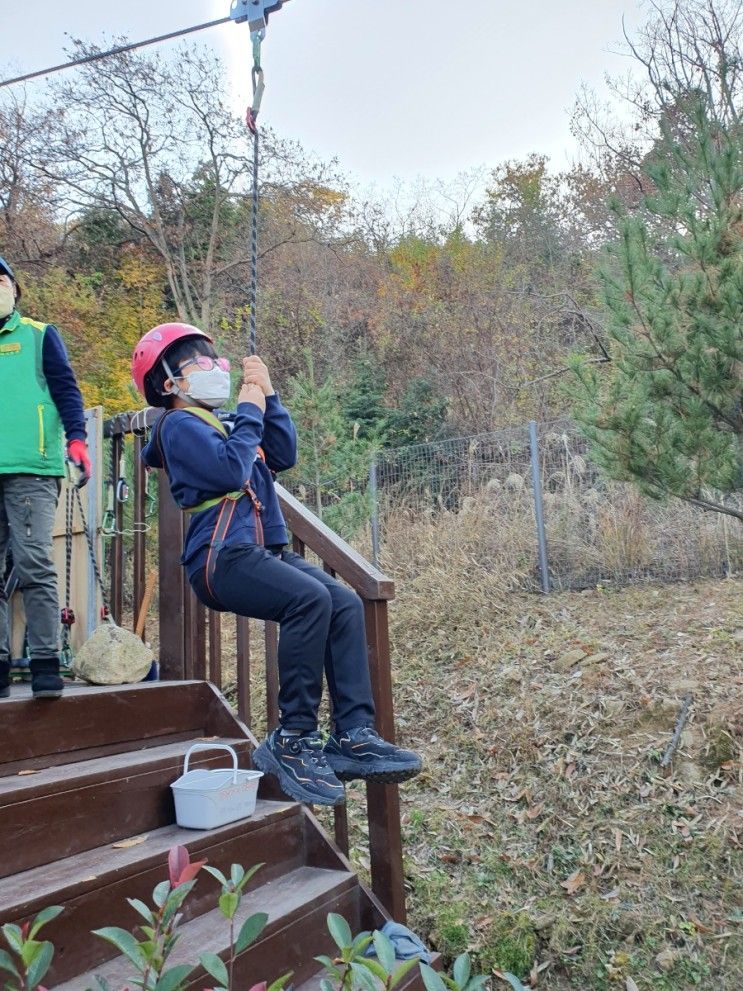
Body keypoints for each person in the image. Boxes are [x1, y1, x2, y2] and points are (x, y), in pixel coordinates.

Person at [133, 323, 421, 806]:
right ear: (169, 384)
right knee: (308, 600)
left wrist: (269, 394)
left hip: (259, 550)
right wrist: (249, 411)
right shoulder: (176, 427)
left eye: (217, 361)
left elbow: (282, 454)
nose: (215, 369)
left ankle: (353, 733)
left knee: (344, 602)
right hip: (220, 555)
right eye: (199, 363)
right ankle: (292, 738)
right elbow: (229, 470)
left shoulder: (226, 423)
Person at [0, 256, 91, 700]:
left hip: (30, 469)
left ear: (14, 289)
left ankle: (44, 662)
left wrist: (77, 440)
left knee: (33, 563)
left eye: (0, 280)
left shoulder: (39, 335)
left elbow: (67, 390)